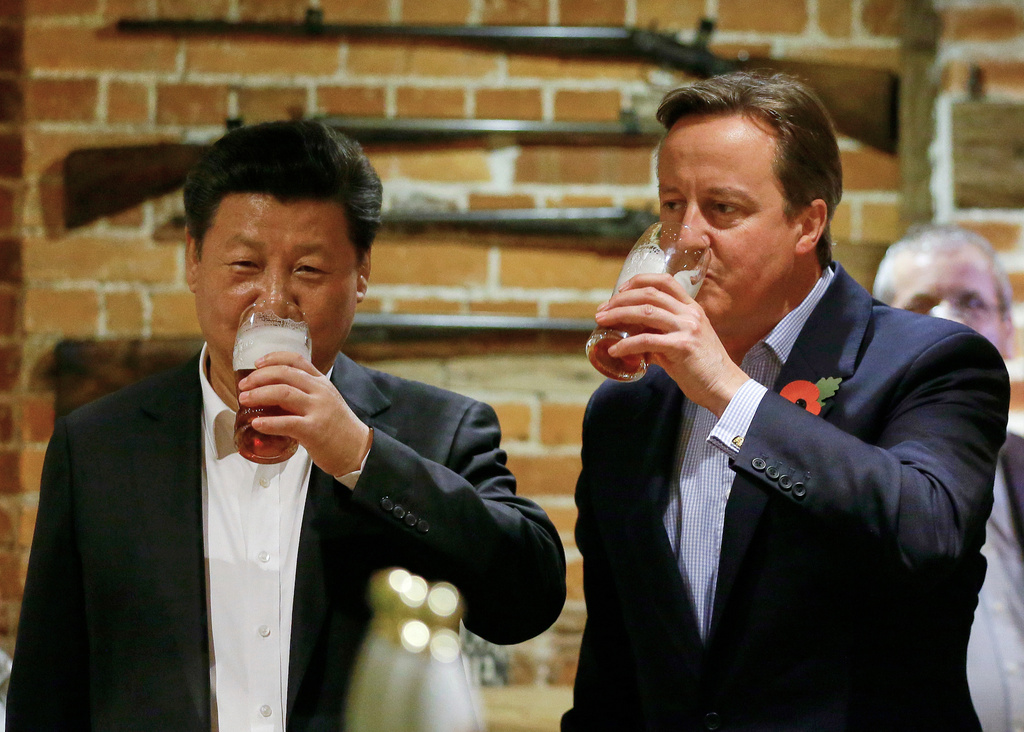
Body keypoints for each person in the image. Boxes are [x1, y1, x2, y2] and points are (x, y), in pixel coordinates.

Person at [6, 120, 566, 731]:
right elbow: (47, 689)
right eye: (245, 264)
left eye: (309, 271)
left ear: (361, 274)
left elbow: (526, 602)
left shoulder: (437, 429)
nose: (273, 300)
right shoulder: (99, 447)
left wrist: (360, 454)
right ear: (193, 260)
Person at [562, 71, 1010, 731]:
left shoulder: (931, 361)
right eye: (670, 205)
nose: (686, 237)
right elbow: (614, 672)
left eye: (722, 209)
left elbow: (926, 532)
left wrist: (724, 388)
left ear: (808, 223)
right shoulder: (626, 410)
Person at [874, 225, 1024, 732]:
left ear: (1008, 329)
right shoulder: (852, 475)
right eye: (921, 305)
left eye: (971, 302)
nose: (946, 324)